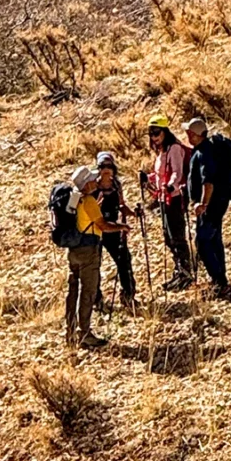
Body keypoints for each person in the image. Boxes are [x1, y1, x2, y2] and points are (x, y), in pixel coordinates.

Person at [142, 115, 193, 288]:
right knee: (168, 236)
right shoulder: (162, 150)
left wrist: (170, 186)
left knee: (176, 236)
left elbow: (177, 173)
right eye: (151, 133)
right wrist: (148, 178)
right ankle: (179, 271)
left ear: (165, 131)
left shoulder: (174, 148)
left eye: (156, 132)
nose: (154, 137)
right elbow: (161, 174)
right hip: (164, 198)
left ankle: (185, 273)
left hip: (175, 197)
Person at [184, 117, 230, 296]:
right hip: (217, 203)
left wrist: (203, 204)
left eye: (189, 133)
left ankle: (218, 281)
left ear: (194, 135)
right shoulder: (206, 149)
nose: (187, 135)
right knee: (214, 240)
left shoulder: (204, 153)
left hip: (210, 206)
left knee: (203, 242)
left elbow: (208, 182)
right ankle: (221, 279)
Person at [64, 164, 105, 346]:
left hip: (73, 250)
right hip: (88, 250)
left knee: (73, 290)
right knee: (88, 291)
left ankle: (70, 331)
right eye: (92, 180)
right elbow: (103, 225)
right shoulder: (88, 201)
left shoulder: (74, 199)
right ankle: (85, 333)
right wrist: (122, 227)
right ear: (86, 184)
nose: (96, 182)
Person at [92, 151, 138, 312]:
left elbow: (121, 205)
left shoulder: (116, 185)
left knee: (124, 260)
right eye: (102, 166)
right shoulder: (92, 186)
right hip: (95, 230)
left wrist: (132, 213)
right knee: (94, 265)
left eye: (109, 166)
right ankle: (96, 299)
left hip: (112, 228)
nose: (106, 169)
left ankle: (128, 295)